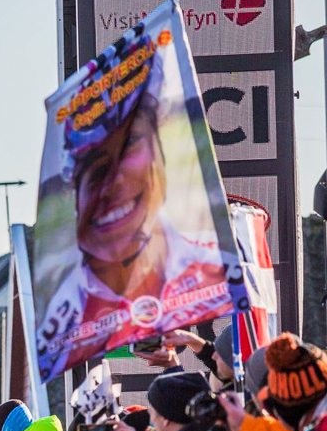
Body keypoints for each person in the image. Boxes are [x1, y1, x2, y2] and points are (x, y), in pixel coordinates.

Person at [36, 48, 231, 380]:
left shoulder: (212, 264)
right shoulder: (62, 317)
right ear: (70, 189)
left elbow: (235, 389)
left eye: (129, 151)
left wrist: (191, 347)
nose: (115, 185)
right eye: (92, 168)